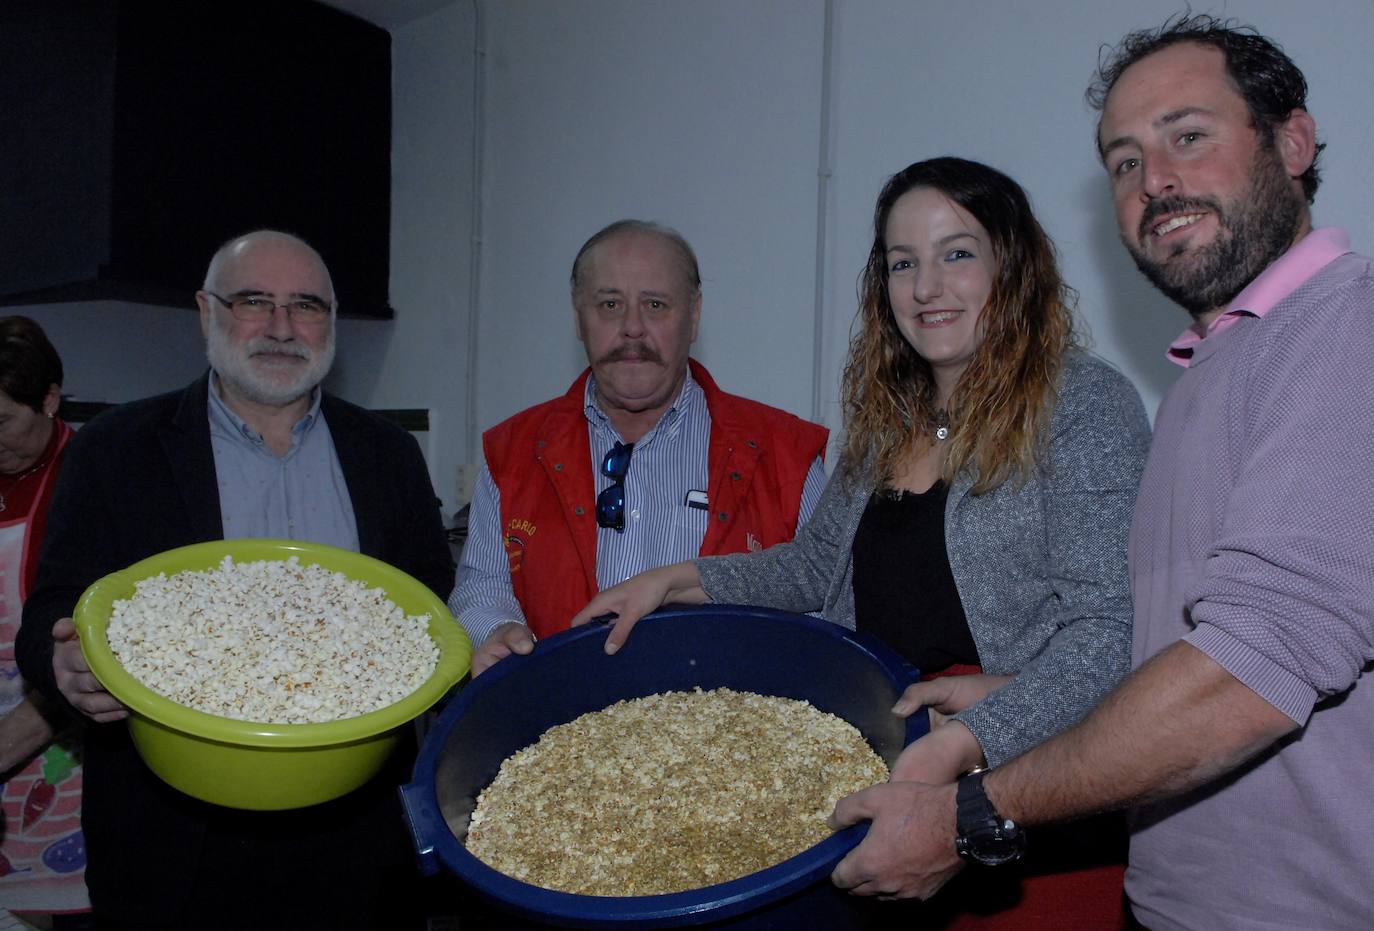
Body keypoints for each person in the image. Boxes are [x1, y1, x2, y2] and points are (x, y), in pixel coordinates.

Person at [827, 16, 1374, 931]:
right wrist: (1017, 693)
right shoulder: (1214, 369)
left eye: (1187, 136)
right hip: (1175, 898)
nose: (1155, 180)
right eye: (1125, 161)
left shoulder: (1341, 333)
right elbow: (1163, 643)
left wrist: (972, 807)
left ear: (1293, 140)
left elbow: (1247, 672)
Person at [573, 159, 1151, 926]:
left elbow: (1109, 634)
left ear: (1012, 264)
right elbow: (812, 568)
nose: (925, 287)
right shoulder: (888, 415)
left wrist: (970, 738)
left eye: (957, 253)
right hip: (889, 780)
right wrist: (672, 580)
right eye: (902, 263)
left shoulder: (1083, 404)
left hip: (1026, 805)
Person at [15, 230, 456, 931]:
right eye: (255, 301)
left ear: (332, 319)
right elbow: (49, 610)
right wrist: (62, 660)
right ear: (206, 311)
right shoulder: (115, 451)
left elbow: (431, 606)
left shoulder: (389, 456)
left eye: (306, 305)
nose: (282, 327)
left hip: (355, 842)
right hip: (175, 844)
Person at [452, 219, 829, 675]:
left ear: (694, 317)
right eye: (610, 304)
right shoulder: (513, 452)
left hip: (730, 735)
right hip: (562, 726)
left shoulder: (785, 453)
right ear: (578, 319)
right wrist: (496, 629)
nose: (632, 328)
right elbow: (483, 585)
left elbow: (826, 602)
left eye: (655, 304)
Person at [0, 317, 89, 927]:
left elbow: (84, 658)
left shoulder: (90, 482)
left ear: (50, 400)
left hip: (59, 748)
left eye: (2, 420)